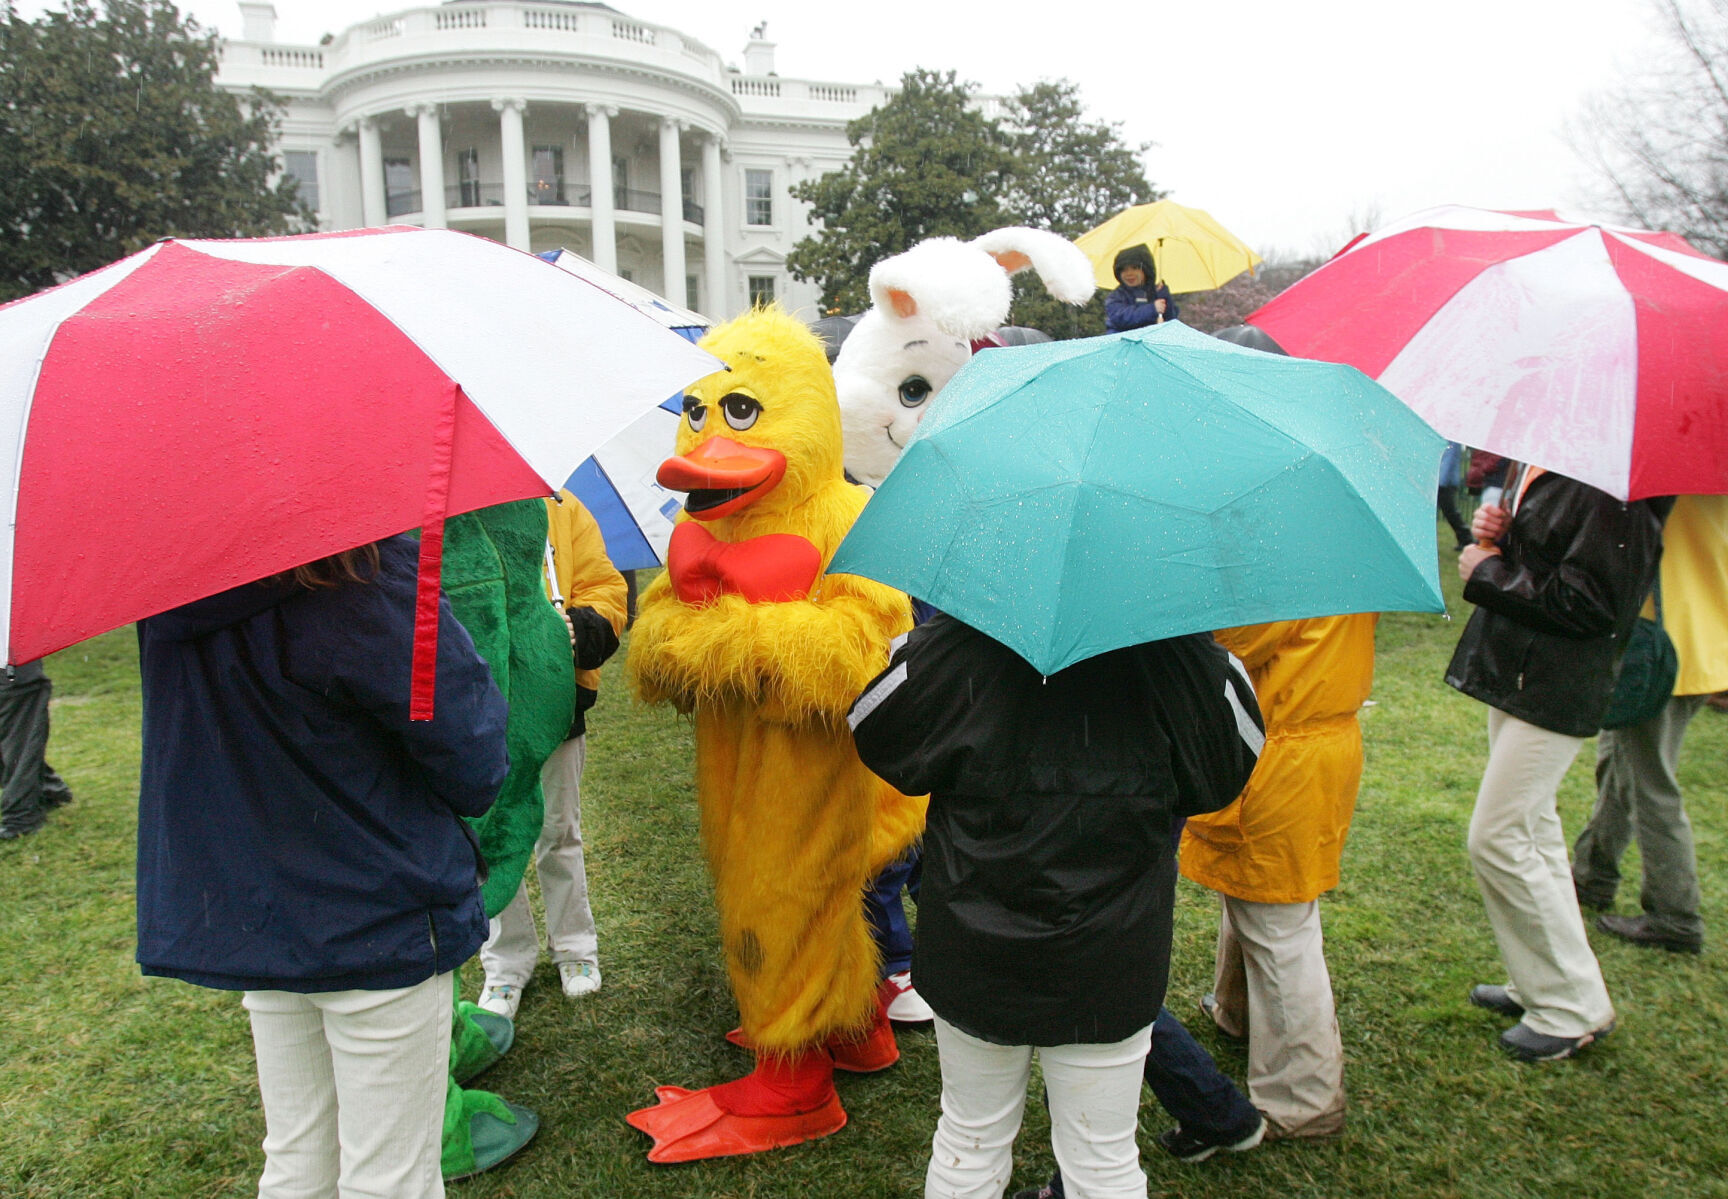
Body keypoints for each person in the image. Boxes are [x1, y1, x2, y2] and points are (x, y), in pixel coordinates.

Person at [134, 537, 509, 1197]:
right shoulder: (360, 568)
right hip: (378, 906)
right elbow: (470, 748)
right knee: (389, 1177)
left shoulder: (169, 580)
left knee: (298, 1161)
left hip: (260, 912)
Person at [850, 614, 1263, 1199]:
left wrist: (917, 651)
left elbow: (879, 731)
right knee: (1101, 1160)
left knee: (971, 1140)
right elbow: (1228, 761)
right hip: (1109, 949)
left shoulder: (972, 631)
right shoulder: (1169, 643)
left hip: (979, 942)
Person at [1447, 465, 1667, 1062]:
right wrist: (1507, 532)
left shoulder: (1608, 482)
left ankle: (1571, 1007)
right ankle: (1543, 985)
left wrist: (1489, 572)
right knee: (1533, 833)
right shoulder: (1561, 461)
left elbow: (1592, 603)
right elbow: (1562, 557)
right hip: (1525, 670)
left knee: (1498, 837)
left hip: (1558, 681)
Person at [1184, 612, 1377, 1139]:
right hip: (1314, 737)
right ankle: (1239, 1011)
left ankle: (1302, 1097)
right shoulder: (1341, 563)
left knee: (1277, 924)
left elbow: (1230, 640)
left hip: (1281, 747)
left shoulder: (1281, 573)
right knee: (1255, 893)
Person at [479, 490, 628, 1013]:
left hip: (553, 698)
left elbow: (606, 588)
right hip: (477, 709)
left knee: (559, 830)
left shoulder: (561, 506)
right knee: (491, 840)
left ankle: (575, 948)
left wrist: (577, 628)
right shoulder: (448, 513)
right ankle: (506, 963)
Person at [1572, 493, 1728, 954]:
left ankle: (1675, 916)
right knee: (1619, 763)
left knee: (1649, 784)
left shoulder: (1669, 481)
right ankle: (1592, 875)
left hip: (1661, 650)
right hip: (1699, 641)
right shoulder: (1711, 472)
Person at [0, 660, 73, 841]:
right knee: (17, 741)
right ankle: (49, 790)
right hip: (14, 672)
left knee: (19, 740)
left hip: (14, 670)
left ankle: (21, 816)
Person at [1104, 245, 1178, 333]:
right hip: (1122, 338)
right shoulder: (1116, 296)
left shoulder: (1156, 292)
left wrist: (1165, 298)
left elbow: (1171, 319)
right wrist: (1152, 309)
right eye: (1124, 270)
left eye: (1135, 268)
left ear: (1146, 270)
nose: (1129, 273)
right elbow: (1121, 318)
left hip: (1150, 338)